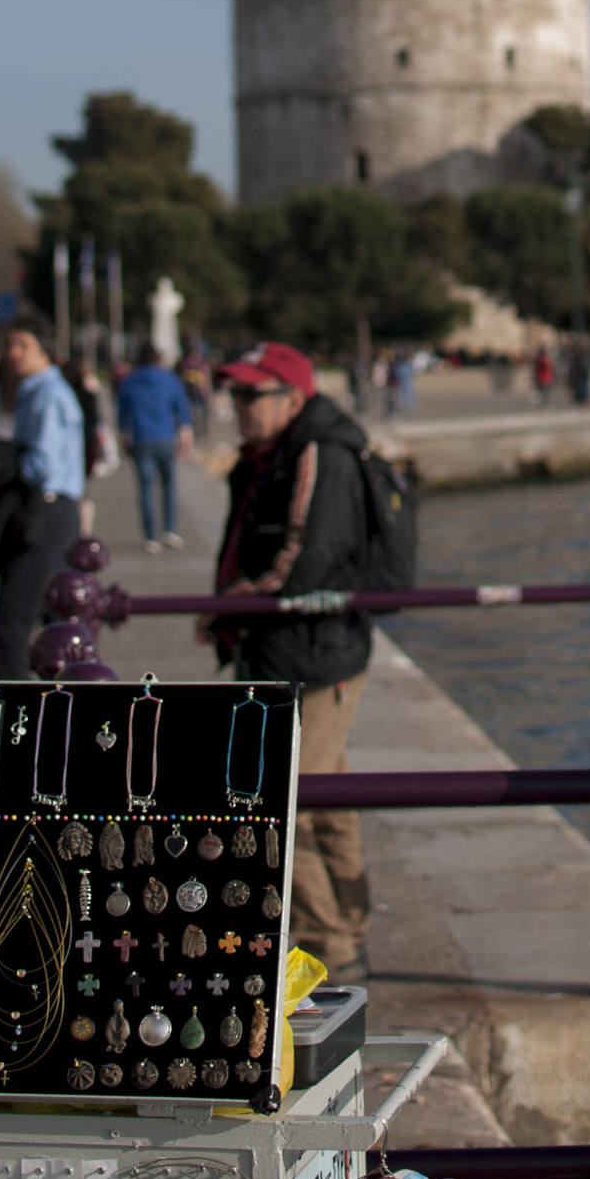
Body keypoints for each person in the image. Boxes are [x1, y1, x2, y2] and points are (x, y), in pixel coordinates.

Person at [209, 342, 376, 981]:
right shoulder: (269, 457)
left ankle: (327, 943)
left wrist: (228, 605)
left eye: (252, 395)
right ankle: (349, 932)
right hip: (288, 654)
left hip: (317, 657)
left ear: (293, 399)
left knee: (283, 801)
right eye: (235, 394)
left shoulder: (316, 455)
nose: (239, 407)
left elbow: (302, 562)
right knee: (327, 800)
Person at [0, 311, 87, 678]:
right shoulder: (34, 391)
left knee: (11, 626)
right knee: (54, 620)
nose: (13, 353)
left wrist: (7, 462)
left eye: (22, 345)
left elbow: (43, 463)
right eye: (9, 345)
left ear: (43, 349)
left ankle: (19, 720)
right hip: (45, 507)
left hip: (47, 510)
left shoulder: (47, 395)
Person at [117, 340, 194, 552]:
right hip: (166, 437)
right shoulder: (170, 379)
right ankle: (170, 529)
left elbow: (123, 414)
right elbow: (182, 409)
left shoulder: (130, 381)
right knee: (169, 485)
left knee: (146, 488)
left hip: (142, 438)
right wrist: (185, 434)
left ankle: (151, 536)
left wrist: (123, 437)